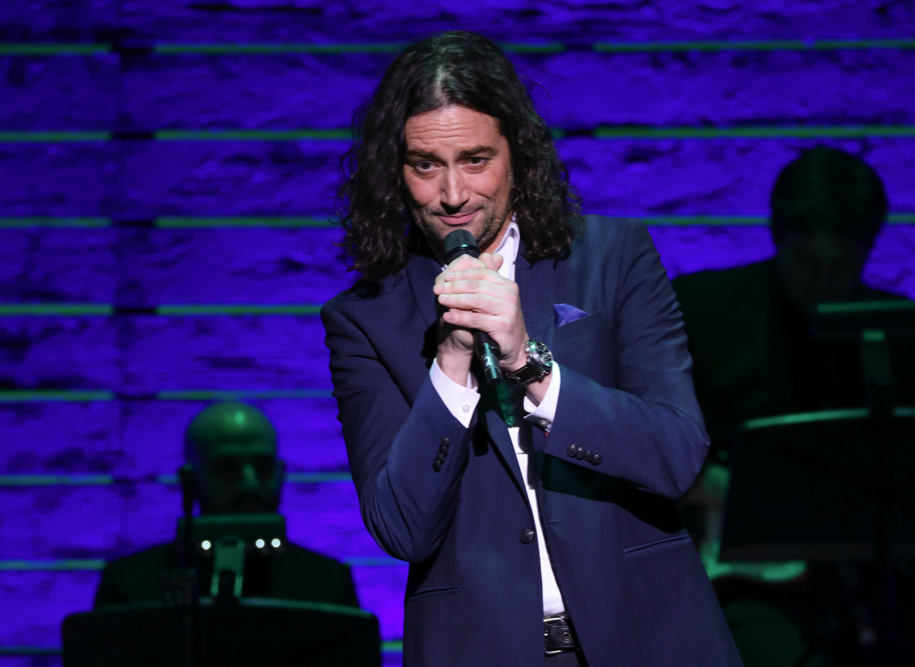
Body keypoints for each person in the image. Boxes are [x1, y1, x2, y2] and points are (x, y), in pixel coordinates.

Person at [321, 31, 741, 666]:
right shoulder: (365, 319)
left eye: (475, 159)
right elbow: (402, 527)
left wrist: (530, 364)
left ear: (517, 152)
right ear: (394, 171)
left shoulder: (612, 258)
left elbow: (677, 455)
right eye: (426, 165)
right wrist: (452, 364)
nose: (454, 195)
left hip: (650, 635)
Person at [674, 146, 915, 666]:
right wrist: (707, 483)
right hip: (748, 579)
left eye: (842, 263)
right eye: (807, 261)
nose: (823, 280)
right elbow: (643, 439)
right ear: (779, 237)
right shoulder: (704, 310)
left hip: (883, 575)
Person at [94, 401, 358, 608]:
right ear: (189, 480)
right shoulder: (130, 583)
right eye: (228, 468)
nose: (250, 484)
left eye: (263, 467)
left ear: (280, 473)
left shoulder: (327, 583)